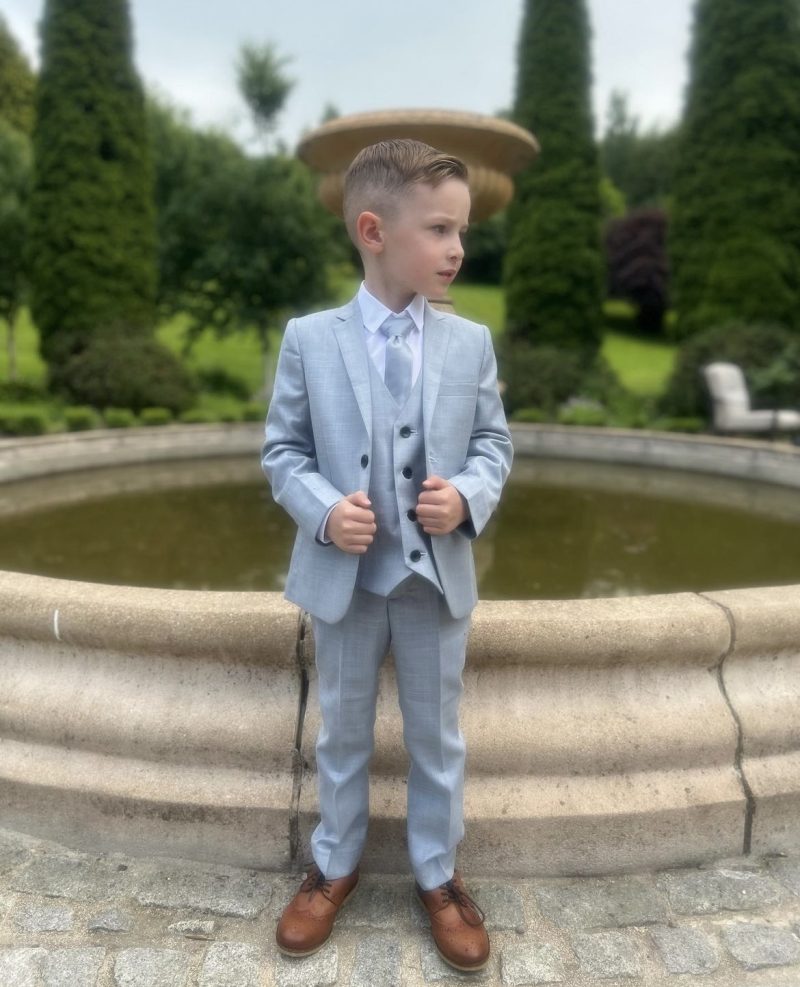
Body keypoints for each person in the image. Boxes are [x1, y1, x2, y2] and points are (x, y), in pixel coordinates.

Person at [261, 138, 512, 972]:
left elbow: (493, 444)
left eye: (462, 230)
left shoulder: (471, 342)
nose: (457, 247)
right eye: (439, 228)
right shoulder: (309, 338)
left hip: (434, 581)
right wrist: (325, 511)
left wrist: (466, 495)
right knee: (342, 732)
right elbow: (283, 452)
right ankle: (334, 863)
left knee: (437, 738)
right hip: (349, 578)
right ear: (374, 231)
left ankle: (438, 874)